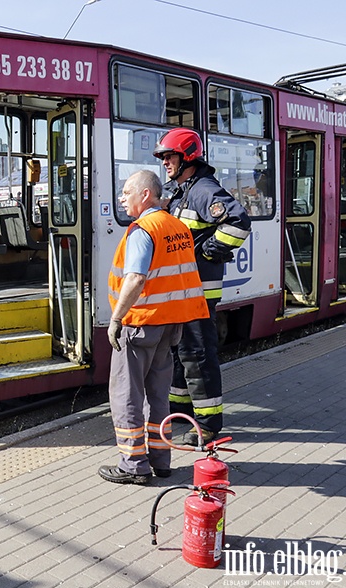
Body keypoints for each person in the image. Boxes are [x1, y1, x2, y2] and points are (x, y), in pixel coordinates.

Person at [98, 170, 209, 485]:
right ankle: (161, 460)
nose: (122, 199)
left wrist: (117, 319)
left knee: (126, 395)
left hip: (140, 325)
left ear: (144, 194)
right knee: (158, 394)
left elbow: (135, 278)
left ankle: (133, 465)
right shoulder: (177, 227)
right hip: (169, 326)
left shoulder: (143, 230)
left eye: (125, 192)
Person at [153, 128, 252, 446]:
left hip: (198, 292)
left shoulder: (203, 189)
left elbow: (238, 221)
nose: (165, 162)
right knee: (182, 354)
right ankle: (180, 415)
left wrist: (208, 252)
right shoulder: (183, 191)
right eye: (164, 157)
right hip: (185, 292)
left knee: (198, 355)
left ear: (187, 157)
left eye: (169, 156)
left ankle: (208, 427)